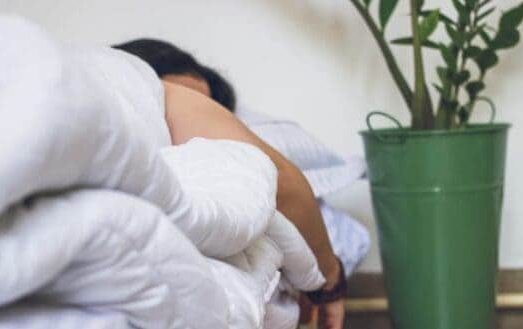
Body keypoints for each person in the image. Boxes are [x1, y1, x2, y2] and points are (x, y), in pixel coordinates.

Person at [114, 38, 351, 328]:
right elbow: (281, 183)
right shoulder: (151, 89)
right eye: (203, 108)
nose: (211, 121)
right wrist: (330, 278)